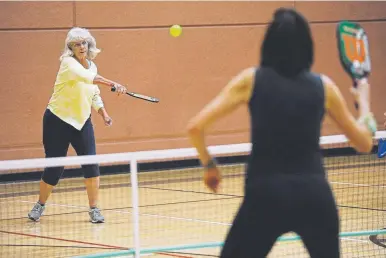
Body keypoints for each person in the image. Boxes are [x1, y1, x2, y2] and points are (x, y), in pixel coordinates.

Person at [187, 8, 376, 258]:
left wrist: (209, 165)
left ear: (268, 43)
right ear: (308, 46)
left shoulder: (251, 80)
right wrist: (364, 104)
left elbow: (195, 128)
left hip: (265, 197)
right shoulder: (325, 87)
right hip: (315, 197)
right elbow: (364, 143)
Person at [28, 27, 128, 223]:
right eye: (76, 44)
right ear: (70, 48)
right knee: (54, 168)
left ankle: (94, 209)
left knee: (91, 164)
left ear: (88, 44)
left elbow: (94, 93)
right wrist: (115, 84)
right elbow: (89, 79)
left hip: (82, 122)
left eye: (84, 43)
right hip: (57, 120)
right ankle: (40, 204)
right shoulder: (67, 64)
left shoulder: (92, 66)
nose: (81, 47)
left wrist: (104, 114)